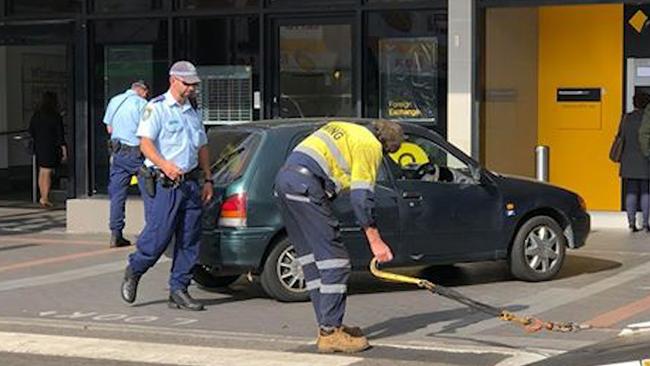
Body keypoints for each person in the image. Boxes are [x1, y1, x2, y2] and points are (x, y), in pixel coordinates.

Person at [274, 119, 403, 353]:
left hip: (286, 181)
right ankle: (330, 332)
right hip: (306, 186)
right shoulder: (369, 146)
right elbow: (361, 198)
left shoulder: (344, 127)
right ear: (386, 147)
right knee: (337, 262)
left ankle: (328, 325)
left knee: (313, 261)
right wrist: (375, 240)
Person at [120, 61, 212, 311]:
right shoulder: (156, 108)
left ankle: (179, 289)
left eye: (194, 85)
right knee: (159, 235)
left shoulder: (192, 111)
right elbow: (145, 145)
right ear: (174, 80)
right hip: (166, 184)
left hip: (191, 183)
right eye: (188, 84)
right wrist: (165, 165)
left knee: (189, 239)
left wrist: (207, 178)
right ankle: (136, 268)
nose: (192, 88)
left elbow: (202, 146)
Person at [104, 80, 150, 248]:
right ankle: (150, 234)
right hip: (136, 153)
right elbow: (148, 130)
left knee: (117, 195)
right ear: (143, 91)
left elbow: (109, 129)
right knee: (149, 193)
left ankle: (116, 234)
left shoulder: (114, 101)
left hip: (117, 154)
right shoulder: (142, 104)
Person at [28, 92, 67, 208]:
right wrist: (64, 150)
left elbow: (31, 130)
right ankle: (45, 197)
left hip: (40, 146)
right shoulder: (55, 116)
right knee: (47, 172)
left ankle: (43, 196)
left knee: (42, 171)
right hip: (51, 146)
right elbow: (60, 135)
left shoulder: (37, 115)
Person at [620, 92, 650, 232]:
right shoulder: (648, 118)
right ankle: (645, 224)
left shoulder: (626, 118)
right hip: (645, 159)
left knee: (631, 192)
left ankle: (631, 224)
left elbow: (621, 136)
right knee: (645, 191)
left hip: (628, 160)